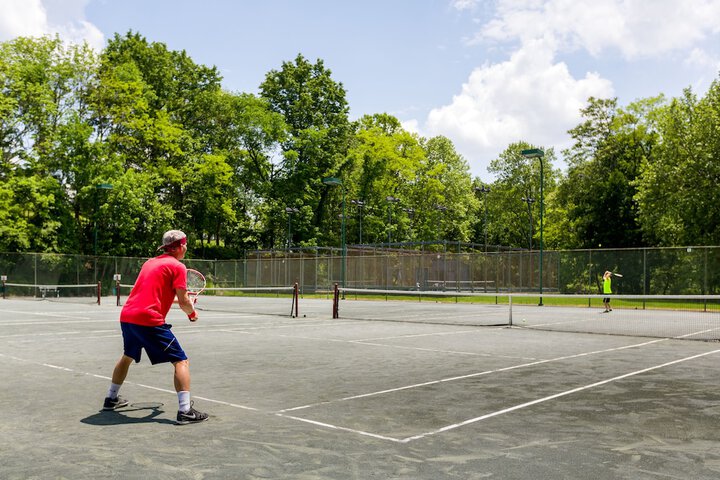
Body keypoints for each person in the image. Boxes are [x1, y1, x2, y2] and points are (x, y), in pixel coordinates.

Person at [102, 229, 208, 425]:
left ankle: (111, 398)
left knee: (127, 356)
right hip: (148, 320)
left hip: (128, 316)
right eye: (186, 245)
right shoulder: (177, 267)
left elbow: (156, 295)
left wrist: (184, 302)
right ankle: (185, 411)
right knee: (181, 361)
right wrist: (191, 312)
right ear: (181, 246)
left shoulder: (150, 263)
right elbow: (184, 301)